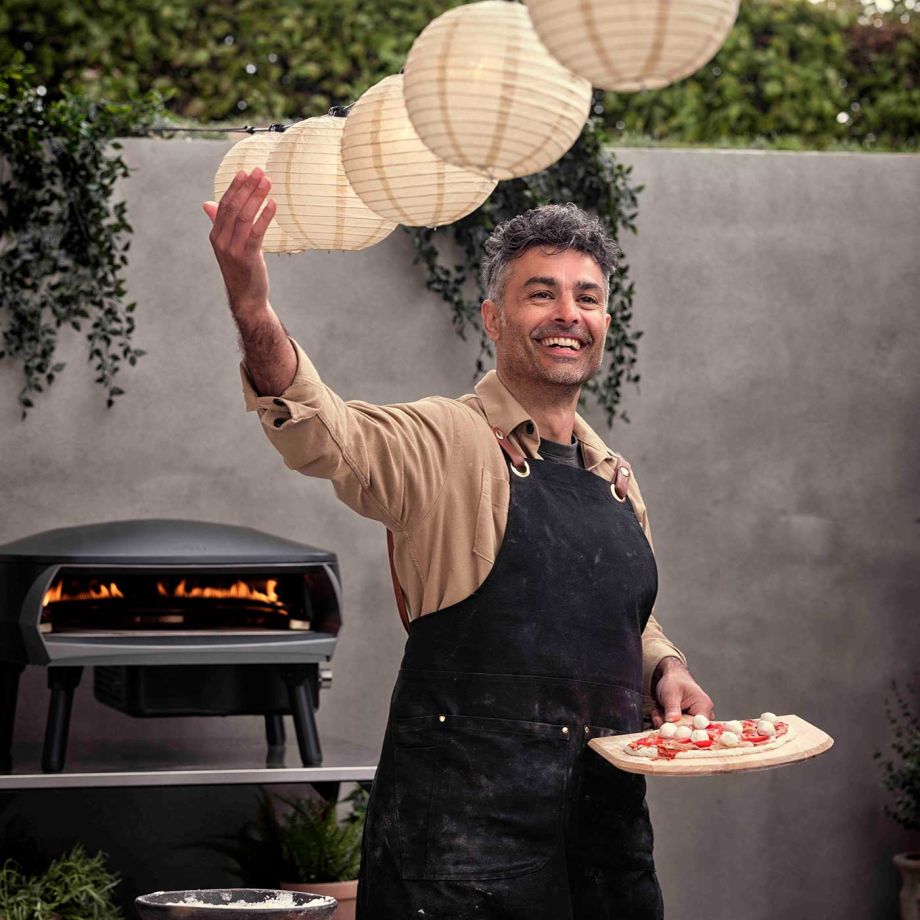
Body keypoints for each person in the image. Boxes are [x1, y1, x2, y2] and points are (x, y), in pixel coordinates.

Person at [204, 168, 714, 920]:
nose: (567, 313)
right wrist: (251, 303)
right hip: (459, 858)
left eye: (588, 297)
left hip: (604, 853)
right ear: (494, 318)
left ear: (606, 322)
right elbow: (326, 433)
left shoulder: (614, 480)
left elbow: (621, 617)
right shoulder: (446, 441)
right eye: (541, 293)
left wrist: (665, 667)